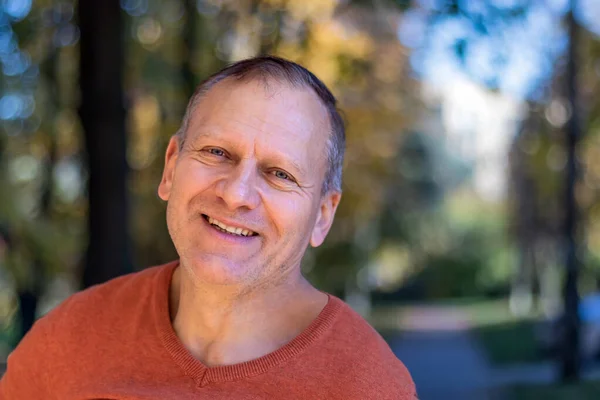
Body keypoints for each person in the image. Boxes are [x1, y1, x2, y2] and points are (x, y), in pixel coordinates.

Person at [0, 56, 416, 399]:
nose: (237, 194)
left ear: (322, 215)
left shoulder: (368, 386)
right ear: (170, 167)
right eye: (217, 152)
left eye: (279, 174)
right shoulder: (67, 343)